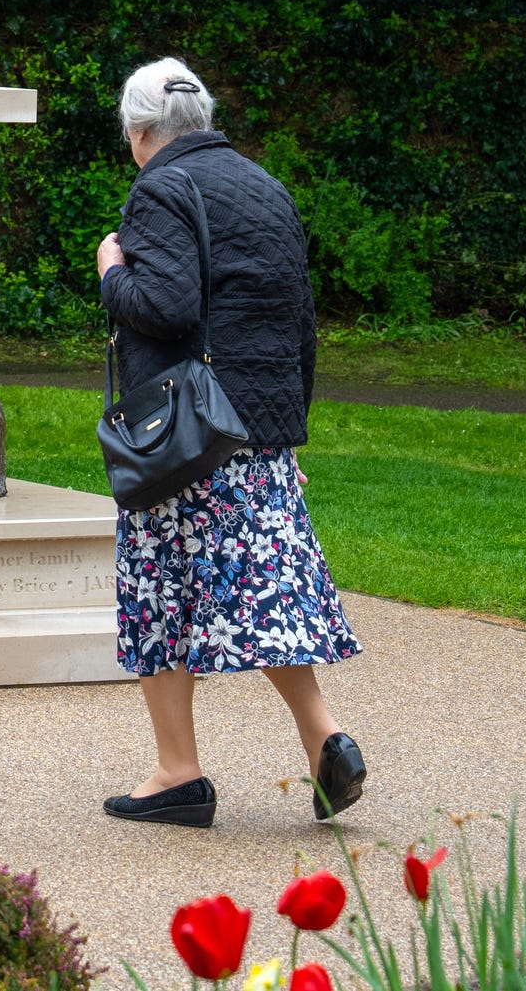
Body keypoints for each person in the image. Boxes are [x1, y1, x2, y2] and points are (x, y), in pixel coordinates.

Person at [95, 58, 364, 828]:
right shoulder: (265, 187)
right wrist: (285, 439)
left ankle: (178, 772)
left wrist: (112, 270)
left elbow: (168, 305)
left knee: (159, 587)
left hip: (188, 436)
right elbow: (300, 324)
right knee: (264, 587)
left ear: (141, 133)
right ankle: (325, 740)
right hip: (256, 431)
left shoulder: (159, 189)